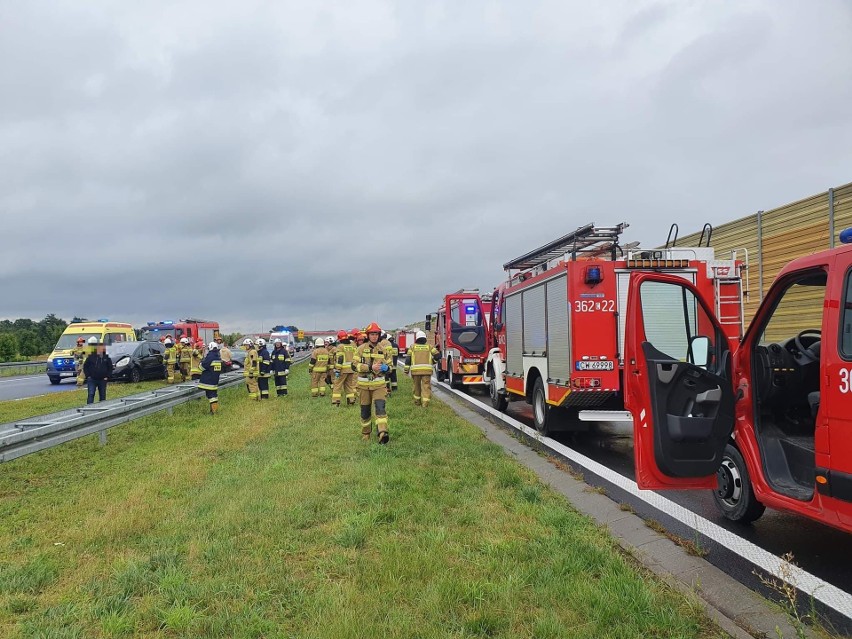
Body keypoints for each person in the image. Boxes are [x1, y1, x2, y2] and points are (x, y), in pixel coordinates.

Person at [352, 322, 392, 444]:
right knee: (365, 411)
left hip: (379, 385)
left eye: (376, 334)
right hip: (364, 387)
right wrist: (370, 367)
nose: (374, 336)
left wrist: (386, 368)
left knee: (380, 408)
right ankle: (366, 433)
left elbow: (390, 368)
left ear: (379, 335)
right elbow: (354, 366)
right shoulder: (360, 349)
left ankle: (382, 433)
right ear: (368, 335)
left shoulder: (383, 350)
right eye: (372, 334)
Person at [404, 330, 440, 407]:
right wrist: (433, 362)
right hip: (427, 371)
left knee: (416, 386)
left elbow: (408, 359)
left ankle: (417, 402)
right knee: (426, 386)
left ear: (416, 338)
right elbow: (438, 356)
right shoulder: (429, 347)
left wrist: (406, 370)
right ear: (425, 338)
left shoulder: (412, 347)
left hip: (416, 371)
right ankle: (425, 404)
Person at [83, 337, 113, 405]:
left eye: (103, 347)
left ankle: (102, 408)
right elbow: (85, 366)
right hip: (92, 379)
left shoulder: (106, 358)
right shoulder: (91, 357)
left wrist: (107, 376)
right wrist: (88, 375)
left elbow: (110, 368)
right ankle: (89, 408)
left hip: (102, 380)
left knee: (102, 396)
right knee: (91, 394)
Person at [332, 329, 357, 406]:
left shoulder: (340, 346)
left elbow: (340, 359)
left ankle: (336, 402)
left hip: (343, 370)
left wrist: (338, 370)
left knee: (337, 385)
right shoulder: (352, 345)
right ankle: (351, 401)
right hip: (351, 369)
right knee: (349, 386)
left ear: (339, 338)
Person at [198, 341, 223, 414]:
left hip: (208, 380)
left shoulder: (210, 356)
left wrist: (200, 363)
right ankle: (213, 410)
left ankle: (214, 412)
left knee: (211, 396)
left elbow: (202, 367)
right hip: (215, 380)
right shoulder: (218, 357)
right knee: (213, 396)